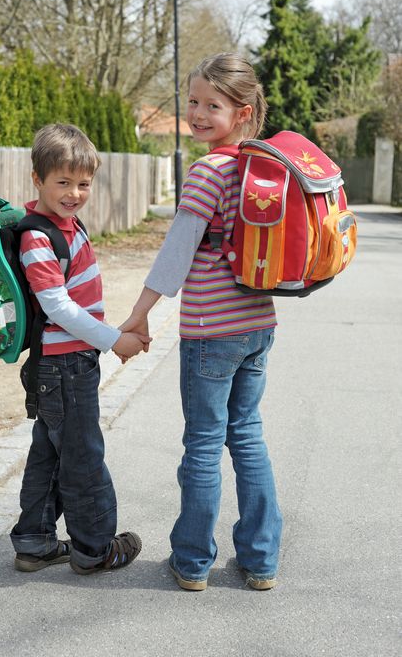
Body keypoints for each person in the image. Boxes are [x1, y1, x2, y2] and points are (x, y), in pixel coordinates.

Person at [121, 53, 282, 592]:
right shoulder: (259, 168)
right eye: (192, 102)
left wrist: (138, 316)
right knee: (249, 437)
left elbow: (177, 252)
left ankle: (192, 562)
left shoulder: (210, 170)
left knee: (205, 445)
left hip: (211, 329)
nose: (197, 113)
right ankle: (260, 560)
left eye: (212, 105)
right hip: (258, 323)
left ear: (241, 112)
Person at [10, 123, 148, 575]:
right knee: (84, 457)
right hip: (64, 366)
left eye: (83, 184)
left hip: (66, 363)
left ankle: (34, 541)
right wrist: (114, 341)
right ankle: (94, 549)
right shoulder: (39, 236)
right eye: (62, 183)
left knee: (50, 454)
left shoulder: (66, 224)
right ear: (38, 179)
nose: (73, 193)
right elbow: (57, 306)